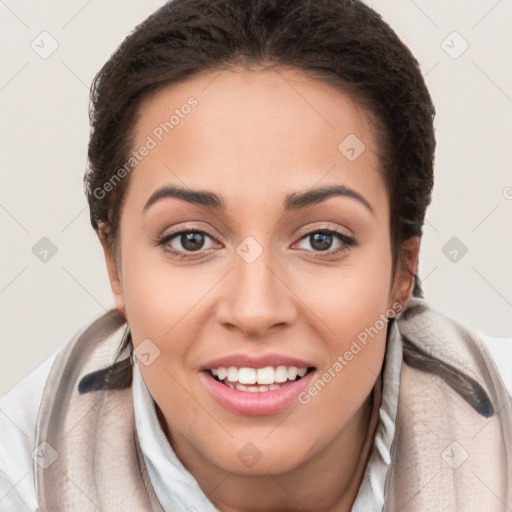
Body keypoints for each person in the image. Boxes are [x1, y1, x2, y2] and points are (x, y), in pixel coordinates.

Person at [1, 0, 511, 510]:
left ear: (403, 270)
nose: (255, 310)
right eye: (191, 240)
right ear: (114, 265)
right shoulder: (20, 471)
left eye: (321, 239)